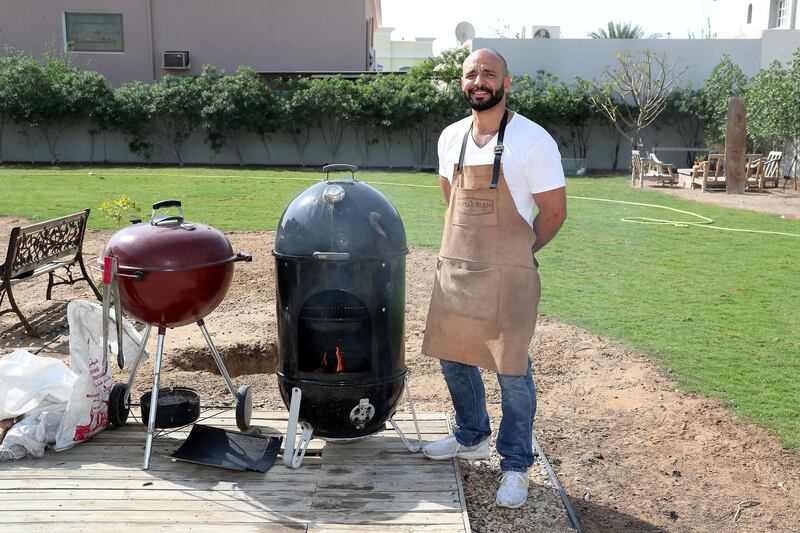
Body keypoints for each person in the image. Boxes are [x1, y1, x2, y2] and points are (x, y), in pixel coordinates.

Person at [421, 48, 567, 509]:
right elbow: (451, 199)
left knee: (513, 373)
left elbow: (555, 213)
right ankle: (471, 435)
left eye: (489, 73)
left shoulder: (533, 140)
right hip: (458, 272)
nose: (479, 80)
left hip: (510, 278)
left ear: (507, 82)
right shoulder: (450, 138)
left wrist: (518, 254)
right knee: (452, 358)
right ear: (462, 83)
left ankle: (517, 463)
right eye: (471, 74)